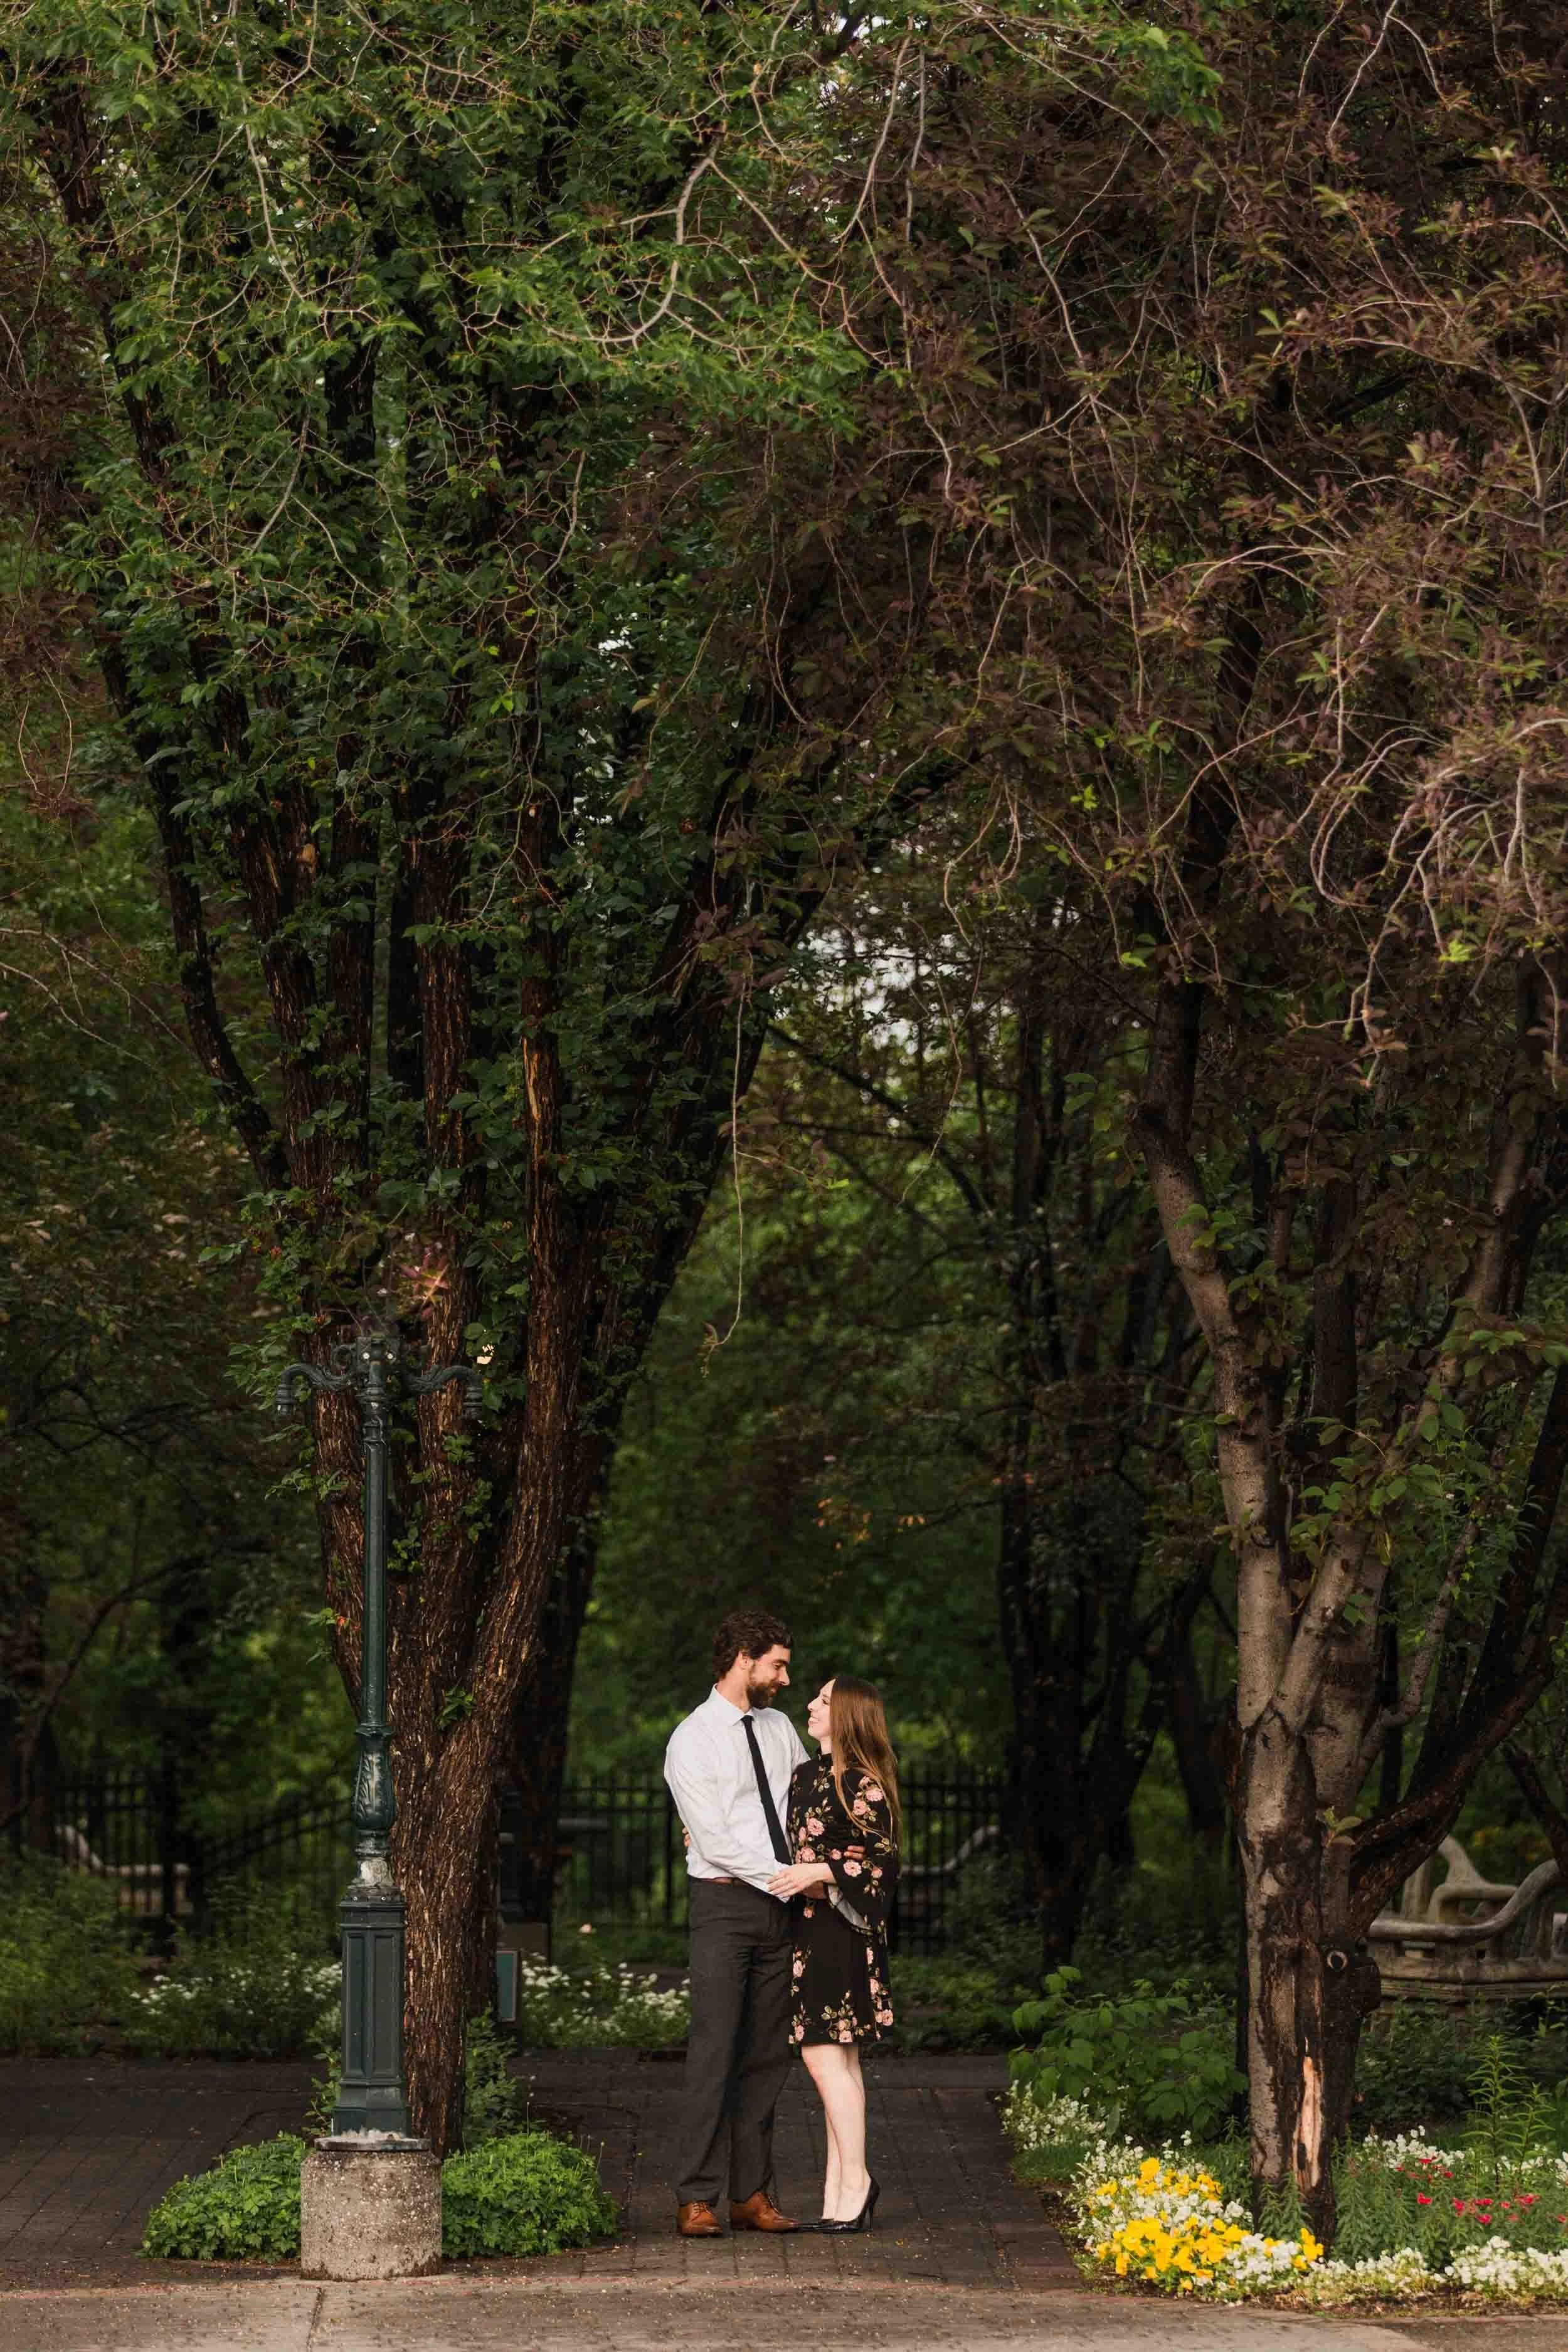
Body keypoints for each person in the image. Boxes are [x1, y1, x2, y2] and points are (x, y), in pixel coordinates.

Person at [663, 1607, 808, 2238]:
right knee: (714, 2051)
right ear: (743, 1658)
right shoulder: (691, 1739)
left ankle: (750, 2193)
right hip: (723, 1906)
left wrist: (811, 1871)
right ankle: (696, 2197)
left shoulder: (779, 1730)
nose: (783, 1679)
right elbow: (716, 1843)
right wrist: (785, 1874)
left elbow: (806, 1801)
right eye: (776, 1664)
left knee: (767, 2056)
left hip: (783, 1906)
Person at [768, 1675, 900, 2232]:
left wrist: (819, 1872)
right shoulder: (805, 1777)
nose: (810, 1706)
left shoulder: (863, 1782)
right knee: (837, 2059)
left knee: (824, 2056)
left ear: (847, 1714)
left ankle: (858, 2180)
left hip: (843, 1933)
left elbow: (882, 1863)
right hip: (807, 1930)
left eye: (823, 1701)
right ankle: (838, 2186)